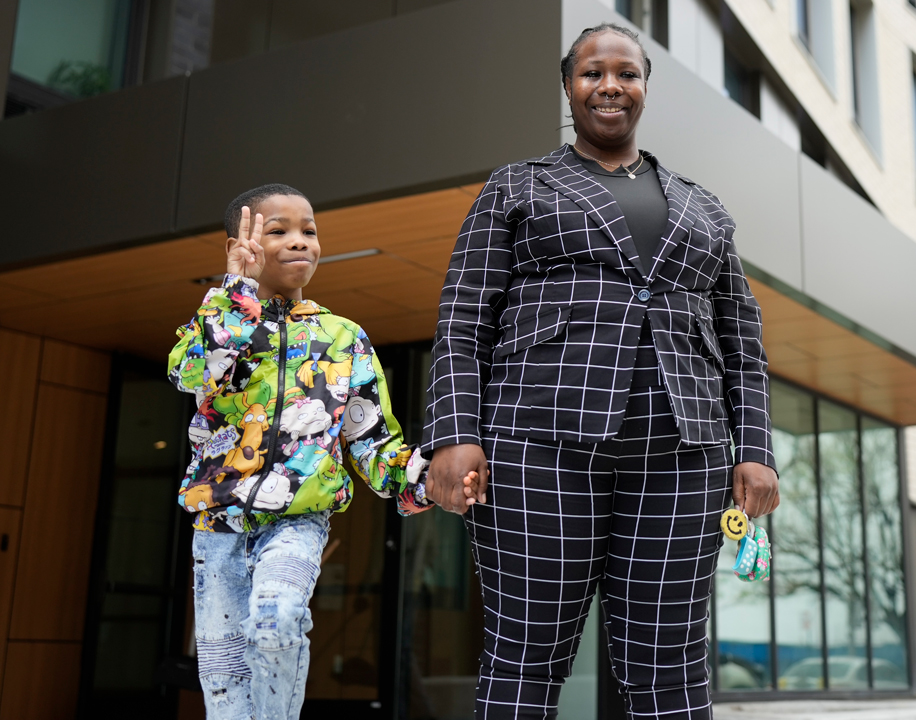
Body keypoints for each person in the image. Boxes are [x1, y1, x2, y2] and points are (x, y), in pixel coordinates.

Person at [421, 23, 780, 719]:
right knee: (526, 653)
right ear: (568, 85)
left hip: (684, 455)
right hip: (537, 447)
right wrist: (453, 433)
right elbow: (463, 321)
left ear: (645, 86)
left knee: (672, 660)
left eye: (626, 73)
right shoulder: (516, 186)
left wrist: (756, 451)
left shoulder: (705, 206)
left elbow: (743, 342)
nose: (609, 86)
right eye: (591, 73)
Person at [166, 183, 434, 720]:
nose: (299, 242)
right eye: (278, 231)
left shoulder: (344, 338)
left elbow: (372, 440)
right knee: (224, 694)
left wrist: (427, 480)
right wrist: (236, 290)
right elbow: (188, 370)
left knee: (277, 618)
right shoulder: (222, 322)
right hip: (215, 531)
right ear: (240, 243)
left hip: (297, 521)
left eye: (309, 231)